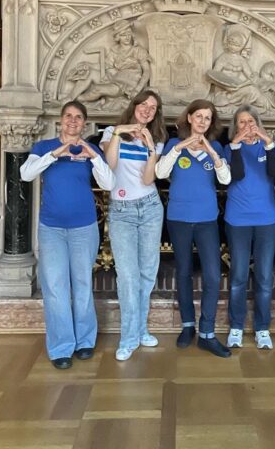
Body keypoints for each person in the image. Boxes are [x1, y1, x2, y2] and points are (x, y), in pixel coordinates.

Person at [20, 100, 115, 369]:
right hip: (52, 229)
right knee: (55, 286)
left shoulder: (90, 150)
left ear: (84, 123)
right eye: (68, 116)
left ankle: (85, 341)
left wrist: (93, 155)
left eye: (78, 117)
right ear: (61, 120)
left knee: (83, 283)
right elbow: (25, 174)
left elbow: (109, 183)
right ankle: (61, 346)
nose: (73, 121)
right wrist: (56, 153)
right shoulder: (43, 148)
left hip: (84, 228)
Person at [155, 99, 232, 357]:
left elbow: (226, 179)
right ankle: (188, 325)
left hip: (207, 220)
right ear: (189, 118)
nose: (202, 121)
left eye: (207, 118)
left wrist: (211, 151)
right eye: (198, 116)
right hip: (178, 218)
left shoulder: (217, 147)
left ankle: (207, 332)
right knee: (184, 271)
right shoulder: (173, 145)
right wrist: (179, 148)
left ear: (211, 123)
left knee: (212, 275)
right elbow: (160, 172)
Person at [100, 90, 167, 361]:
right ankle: (128, 338)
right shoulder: (111, 132)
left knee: (147, 273)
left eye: (153, 107)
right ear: (135, 105)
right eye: (144, 105)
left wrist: (150, 146)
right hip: (122, 211)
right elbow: (111, 164)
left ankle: (141, 330)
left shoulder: (158, 139)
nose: (148, 110)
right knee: (128, 276)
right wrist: (120, 131)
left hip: (150, 207)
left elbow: (150, 178)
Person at [224, 105, 275, 350]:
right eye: (241, 122)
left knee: (264, 277)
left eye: (250, 122)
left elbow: (274, 172)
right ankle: (236, 326)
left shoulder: (269, 148)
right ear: (235, 127)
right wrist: (236, 146)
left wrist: (267, 143)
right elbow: (235, 174)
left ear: (257, 124)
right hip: (238, 219)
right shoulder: (229, 149)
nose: (247, 126)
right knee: (238, 276)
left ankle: (262, 328)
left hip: (267, 219)